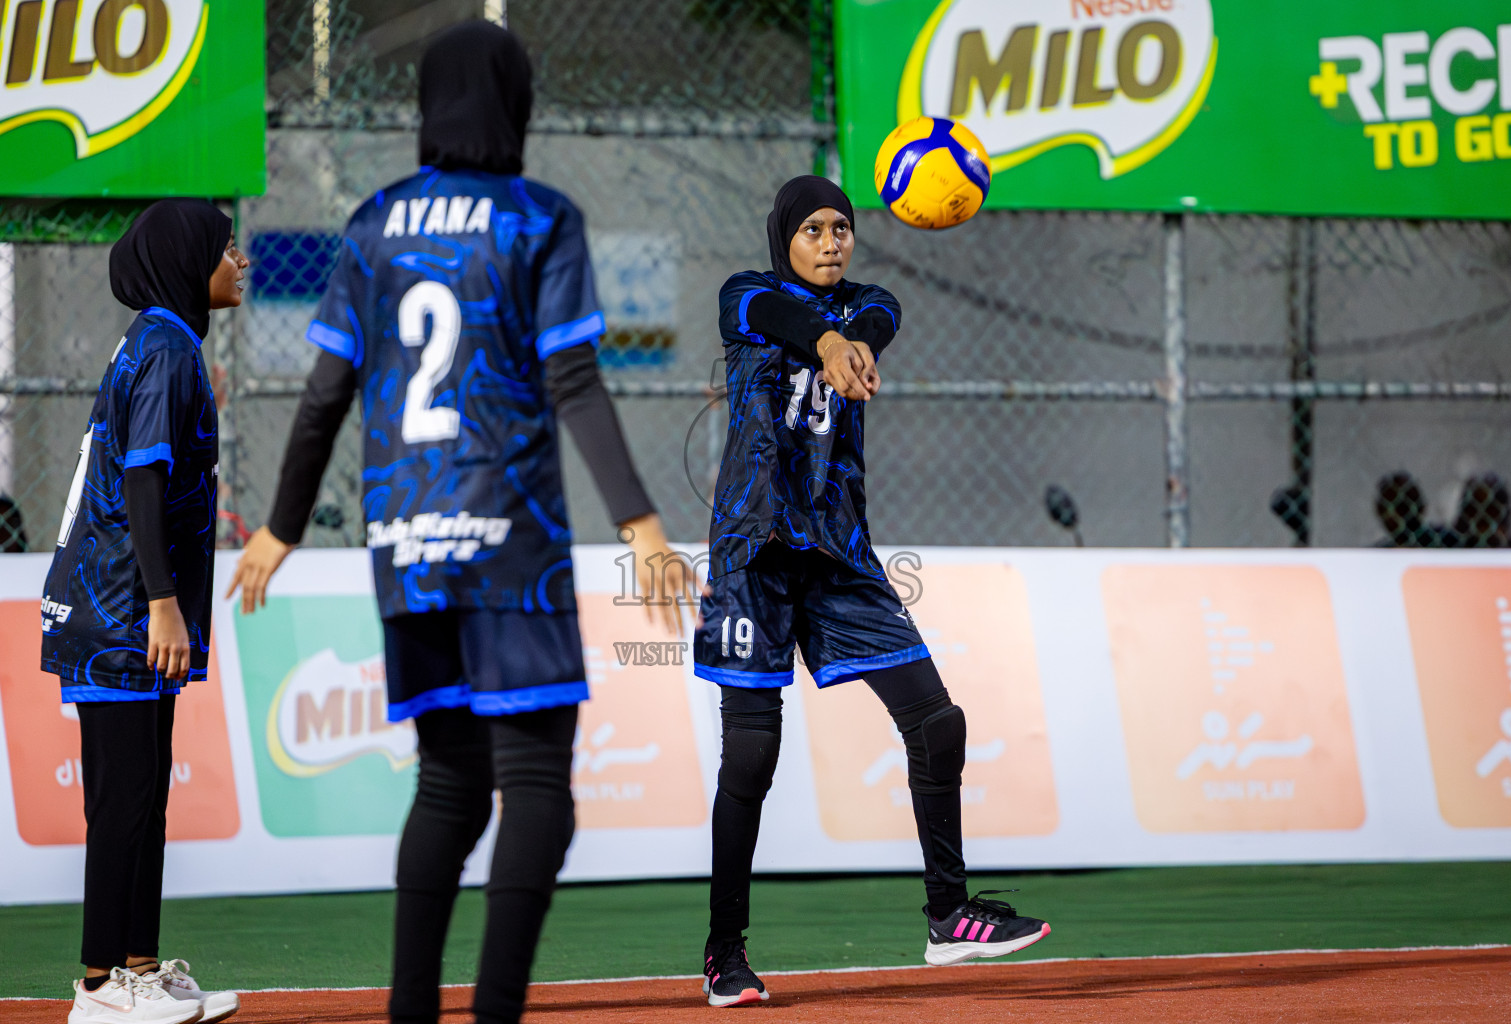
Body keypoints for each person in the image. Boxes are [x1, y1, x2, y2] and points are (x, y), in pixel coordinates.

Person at [225, 22, 688, 1024]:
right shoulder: (538, 218)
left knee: (447, 784)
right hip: (507, 534)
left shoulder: (373, 222)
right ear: (515, 103)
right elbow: (571, 377)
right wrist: (641, 521)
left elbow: (323, 395)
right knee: (537, 786)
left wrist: (281, 528)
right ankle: (494, 1013)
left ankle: (410, 1013)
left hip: (403, 537)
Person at [691, 176, 1050, 1008]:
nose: (830, 241)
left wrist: (846, 340)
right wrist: (823, 345)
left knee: (937, 720)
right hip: (755, 553)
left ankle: (948, 915)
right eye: (812, 228)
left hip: (839, 555)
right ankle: (724, 951)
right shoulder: (745, 297)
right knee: (751, 756)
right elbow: (785, 321)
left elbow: (874, 324)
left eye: (842, 228)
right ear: (784, 236)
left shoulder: (873, 307)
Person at [40, 199, 245, 1024]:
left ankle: (142, 969)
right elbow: (143, 479)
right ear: (185, 259)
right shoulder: (165, 346)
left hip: (129, 607)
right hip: (122, 608)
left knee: (146, 792)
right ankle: (98, 987)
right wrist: (163, 603)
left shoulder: (167, 340)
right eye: (225, 248)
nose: (239, 261)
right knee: (122, 800)